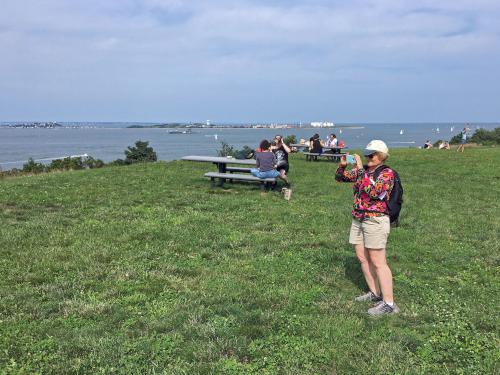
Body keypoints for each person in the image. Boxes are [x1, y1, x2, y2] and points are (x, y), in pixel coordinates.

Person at [335, 140, 399, 316]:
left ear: (381, 156)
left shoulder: (387, 173)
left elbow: (375, 192)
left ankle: (389, 304)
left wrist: (361, 170)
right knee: (362, 257)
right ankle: (375, 294)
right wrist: (342, 167)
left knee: (378, 261)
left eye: (371, 155)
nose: (367, 157)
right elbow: (340, 178)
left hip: (375, 220)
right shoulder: (364, 171)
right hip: (358, 218)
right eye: (366, 154)